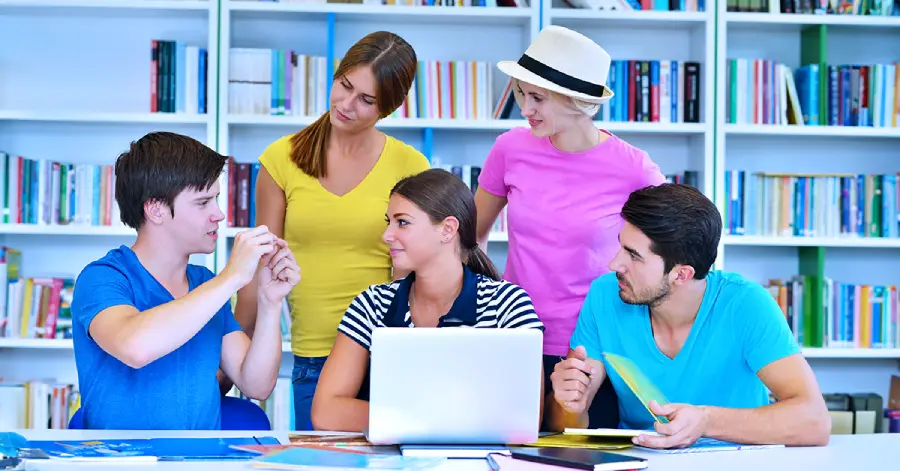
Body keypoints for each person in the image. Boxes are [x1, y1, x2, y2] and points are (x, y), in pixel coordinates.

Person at [233, 30, 431, 430]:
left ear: (387, 109)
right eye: (344, 86)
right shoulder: (281, 160)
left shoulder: (411, 167)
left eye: (367, 100)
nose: (346, 105)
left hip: (389, 357)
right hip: (314, 361)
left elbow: (423, 270)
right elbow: (258, 269)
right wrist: (233, 356)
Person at [474, 25, 667, 430]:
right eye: (521, 94)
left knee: (583, 458)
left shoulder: (634, 167)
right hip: (515, 334)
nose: (526, 108)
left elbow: (669, 248)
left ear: (578, 101)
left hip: (596, 345)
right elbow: (470, 237)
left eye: (538, 98)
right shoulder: (510, 148)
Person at [546, 183, 831, 448]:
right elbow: (565, 424)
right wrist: (570, 404)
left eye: (633, 256)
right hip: (641, 461)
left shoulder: (746, 304)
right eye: (621, 246)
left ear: (682, 273)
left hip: (735, 460)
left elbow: (814, 421)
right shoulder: (605, 296)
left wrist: (706, 421)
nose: (614, 263)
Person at [70, 132, 300, 430]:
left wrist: (269, 303)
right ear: (155, 210)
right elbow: (135, 347)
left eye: (216, 199)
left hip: (200, 460)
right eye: (203, 202)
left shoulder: (206, 284)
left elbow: (256, 384)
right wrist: (231, 278)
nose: (218, 214)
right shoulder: (103, 278)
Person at [309, 168, 546, 432]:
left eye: (402, 222)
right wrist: (442, 420)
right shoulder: (372, 304)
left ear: (447, 229)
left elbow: (525, 417)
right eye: (389, 221)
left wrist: (404, 418)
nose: (386, 235)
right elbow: (326, 412)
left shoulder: (508, 304)